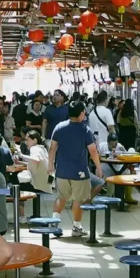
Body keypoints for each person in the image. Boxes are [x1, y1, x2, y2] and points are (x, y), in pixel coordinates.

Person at [48, 100, 103, 238]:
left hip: (61, 170)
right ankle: (76, 227)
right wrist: (98, 167)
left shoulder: (59, 127)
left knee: (61, 197)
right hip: (80, 171)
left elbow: (52, 148)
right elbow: (93, 151)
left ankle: (54, 223)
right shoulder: (85, 129)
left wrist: (50, 165)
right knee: (78, 199)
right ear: (82, 113)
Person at [16, 129, 52, 223]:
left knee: (17, 188)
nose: (25, 142)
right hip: (48, 181)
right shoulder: (42, 148)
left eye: (27, 139)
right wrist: (19, 162)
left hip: (40, 183)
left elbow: (36, 160)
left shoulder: (34, 148)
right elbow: (36, 162)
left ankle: (22, 216)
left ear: (35, 140)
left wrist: (21, 155)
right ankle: (34, 214)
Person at [87, 90, 116, 155]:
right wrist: (115, 141)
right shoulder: (107, 111)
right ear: (105, 100)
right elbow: (111, 128)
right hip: (105, 144)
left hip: (93, 144)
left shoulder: (91, 113)